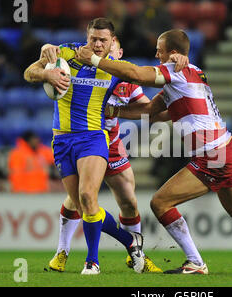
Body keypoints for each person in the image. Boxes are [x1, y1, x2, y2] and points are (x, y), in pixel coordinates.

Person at [75, 29, 232, 274]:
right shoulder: (192, 73)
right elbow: (151, 111)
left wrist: (95, 60)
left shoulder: (174, 71)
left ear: (173, 53)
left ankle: (196, 262)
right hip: (229, 148)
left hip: (212, 155)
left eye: (159, 50)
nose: (156, 54)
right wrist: (115, 112)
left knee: (160, 203)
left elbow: (135, 74)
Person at [23, 18, 147, 275]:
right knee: (83, 206)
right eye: (94, 39)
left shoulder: (114, 67)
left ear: (112, 41)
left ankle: (92, 262)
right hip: (62, 140)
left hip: (93, 138)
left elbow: (140, 85)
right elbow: (28, 73)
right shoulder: (66, 54)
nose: (98, 44)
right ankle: (130, 242)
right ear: (87, 37)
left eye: (104, 40)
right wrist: (47, 72)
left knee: (89, 196)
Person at [41, 37, 163, 273]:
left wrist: (119, 110)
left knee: (127, 200)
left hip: (111, 142)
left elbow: (148, 109)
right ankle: (64, 251)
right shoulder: (82, 68)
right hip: (82, 138)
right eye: (102, 49)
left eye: (112, 51)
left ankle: (135, 254)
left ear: (119, 53)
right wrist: (47, 48)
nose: (107, 55)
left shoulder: (126, 81)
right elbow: (55, 55)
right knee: (82, 200)